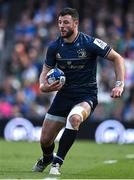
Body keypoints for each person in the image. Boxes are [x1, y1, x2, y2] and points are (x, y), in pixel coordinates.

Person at [32, 7, 125, 175]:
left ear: (76, 23)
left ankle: (57, 163)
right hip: (63, 96)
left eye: (66, 22)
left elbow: (117, 58)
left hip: (86, 95)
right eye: (59, 22)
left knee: (74, 118)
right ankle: (47, 158)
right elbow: (45, 71)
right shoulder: (54, 47)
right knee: (45, 140)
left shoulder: (90, 43)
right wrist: (43, 86)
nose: (61, 26)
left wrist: (119, 84)